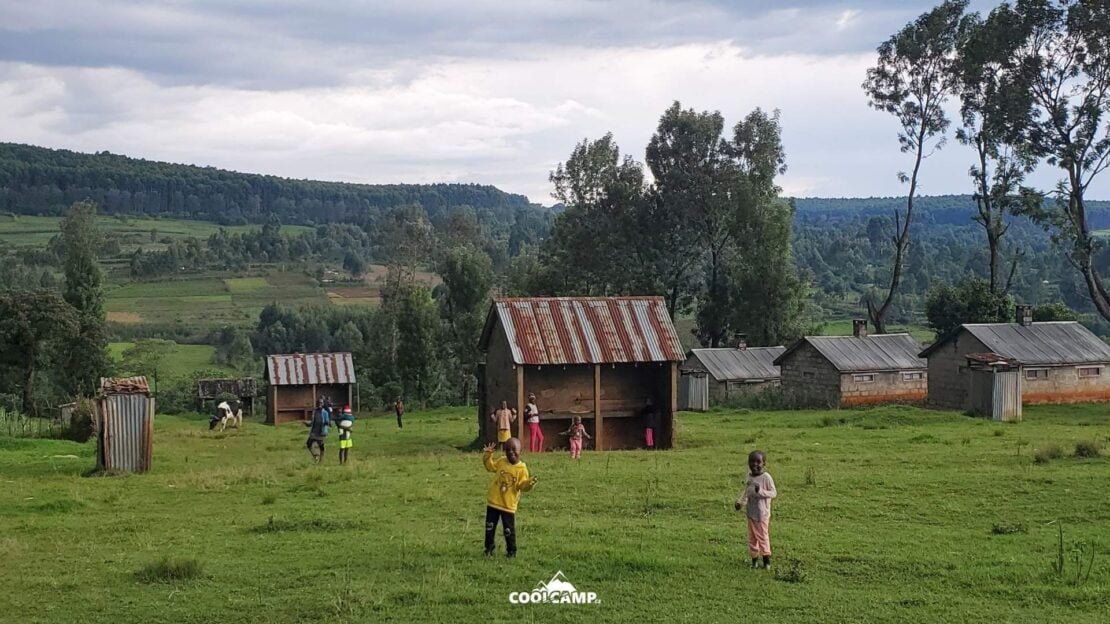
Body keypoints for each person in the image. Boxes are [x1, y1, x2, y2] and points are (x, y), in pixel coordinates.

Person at [481, 438, 537, 557]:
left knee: (508, 530)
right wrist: (488, 455)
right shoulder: (502, 461)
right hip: (494, 501)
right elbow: (490, 467)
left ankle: (511, 551)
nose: (511, 452)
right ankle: (489, 548)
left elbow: (522, 486)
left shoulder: (522, 469)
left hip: (508, 505)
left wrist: (529, 483)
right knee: (490, 527)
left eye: (514, 449)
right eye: (507, 449)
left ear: (520, 451)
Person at [734, 450, 778, 569]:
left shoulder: (766, 477)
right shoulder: (749, 477)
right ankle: (754, 560)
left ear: (764, 464)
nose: (755, 465)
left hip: (762, 514)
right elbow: (747, 492)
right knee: (752, 537)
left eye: (758, 462)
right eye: (752, 462)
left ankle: (766, 561)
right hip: (751, 513)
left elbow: (773, 493)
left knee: (762, 537)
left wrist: (760, 491)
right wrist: (740, 503)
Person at [304, 397, 331, 464]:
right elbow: (312, 422)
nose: (319, 404)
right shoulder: (314, 412)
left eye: (321, 403)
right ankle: (315, 455)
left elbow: (327, 421)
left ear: (323, 404)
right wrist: (307, 424)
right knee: (308, 444)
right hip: (314, 431)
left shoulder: (325, 412)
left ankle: (321, 460)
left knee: (321, 446)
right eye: (318, 403)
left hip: (321, 431)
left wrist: (327, 423)